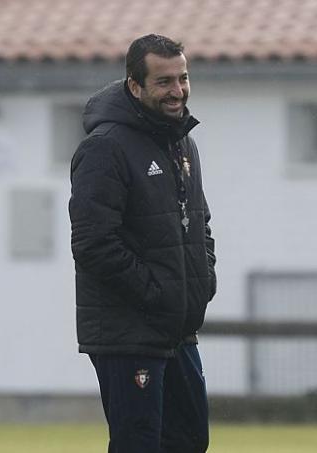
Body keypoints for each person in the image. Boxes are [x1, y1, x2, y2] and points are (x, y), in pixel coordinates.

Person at [69, 34, 216, 453]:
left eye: (182, 78)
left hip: (177, 330)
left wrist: (202, 279)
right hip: (128, 333)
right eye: (164, 82)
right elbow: (93, 243)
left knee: (190, 441)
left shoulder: (182, 142)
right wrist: (157, 291)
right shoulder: (105, 148)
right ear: (135, 85)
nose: (178, 91)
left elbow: (200, 223)